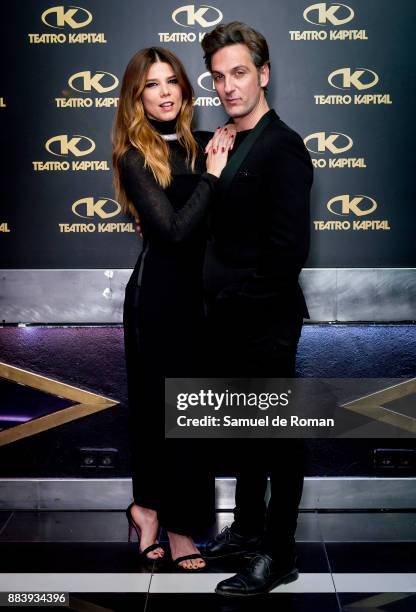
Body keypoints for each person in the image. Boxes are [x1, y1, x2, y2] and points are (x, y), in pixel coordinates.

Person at [200, 23, 313, 595]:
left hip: (265, 320)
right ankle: (245, 532)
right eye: (218, 76)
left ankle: (281, 551)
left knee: (278, 439)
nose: (228, 86)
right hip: (230, 320)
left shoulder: (282, 144)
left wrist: (237, 302)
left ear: (263, 74)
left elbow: (288, 250)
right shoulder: (225, 143)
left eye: (239, 72)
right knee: (245, 433)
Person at [112, 47, 233, 571]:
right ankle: (149, 512)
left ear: (186, 90)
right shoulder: (134, 156)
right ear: (136, 97)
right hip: (157, 299)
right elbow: (176, 232)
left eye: (173, 82)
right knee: (156, 414)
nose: (165, 93)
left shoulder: (203, 144)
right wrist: (212, 178)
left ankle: (183, 524)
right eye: (152, 85)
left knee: (194, 416)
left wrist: (219, 163)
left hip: (201, 300)